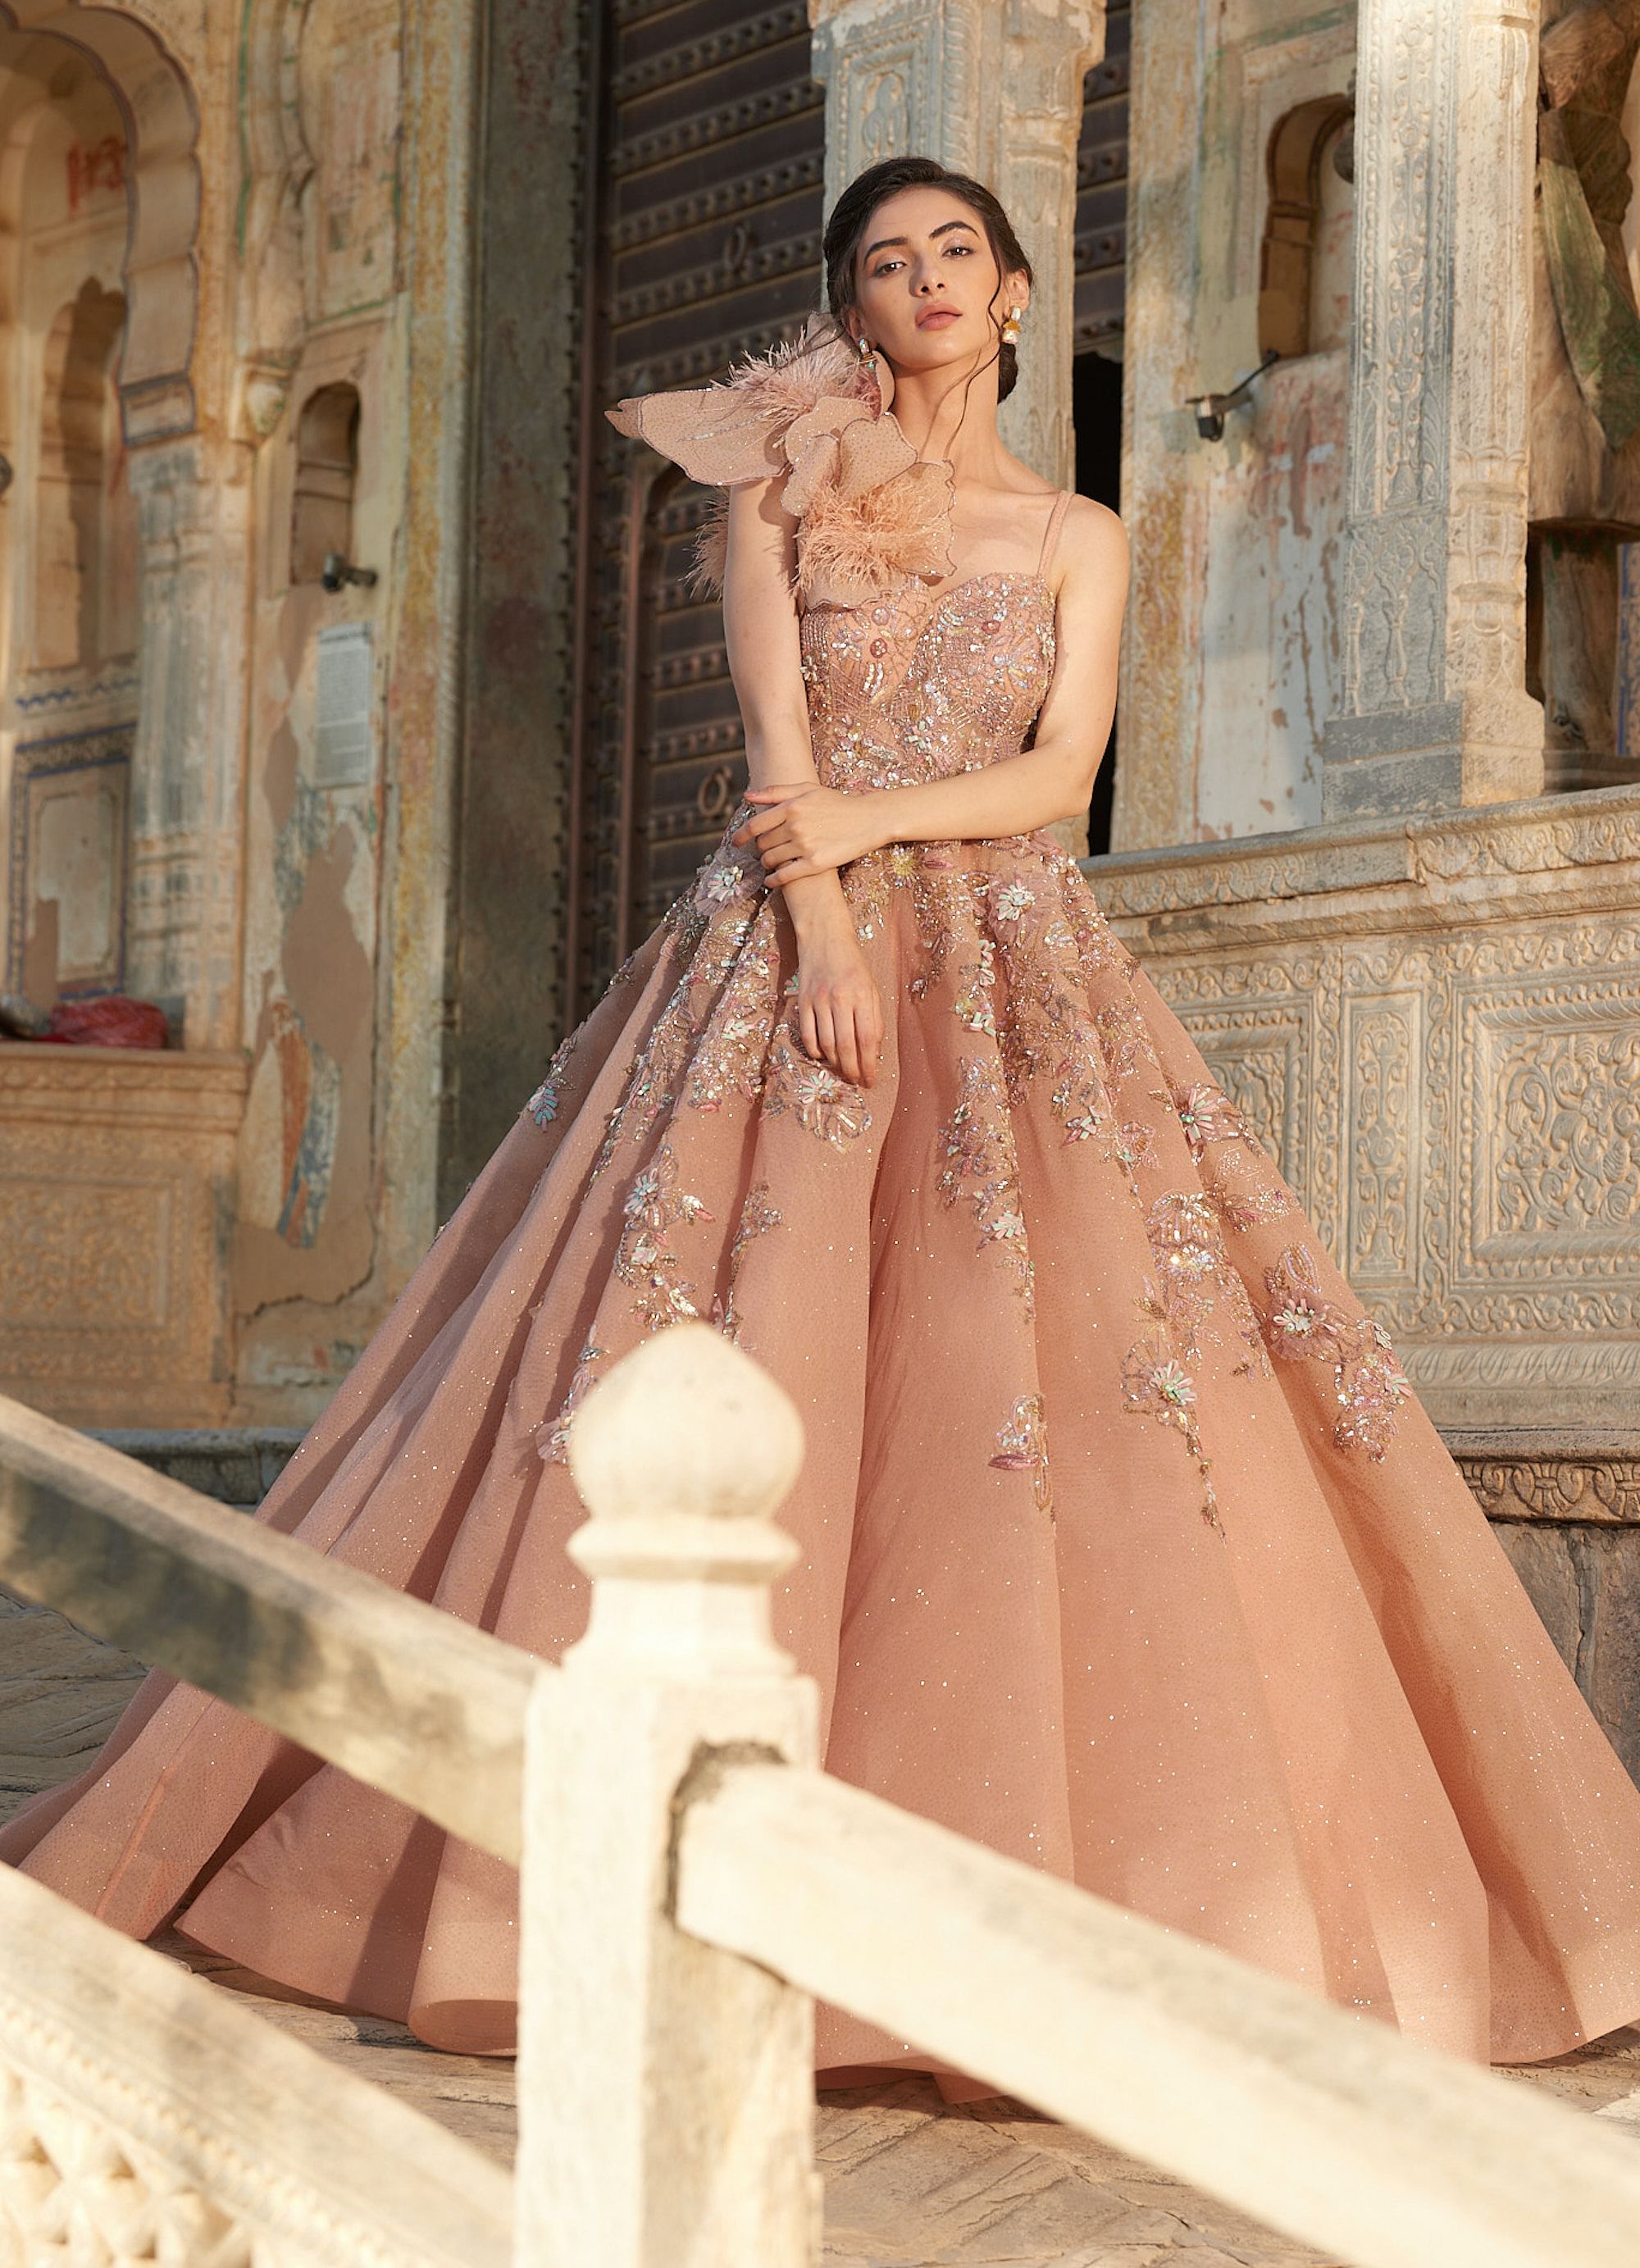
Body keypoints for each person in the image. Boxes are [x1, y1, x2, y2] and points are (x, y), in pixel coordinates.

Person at [6, 157, 1640, 2083]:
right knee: (692, 1370)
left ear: (1018, 295)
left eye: (958, 251)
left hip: (1023, 973)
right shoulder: (777, 487)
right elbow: (779, 753)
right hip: (782, 959)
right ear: (851, 305)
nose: (926, 279)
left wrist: (879, 837)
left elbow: (1058, 769)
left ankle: (1095, 1910)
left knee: (1034, 1410)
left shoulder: (1078, 532)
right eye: (886, 260)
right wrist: (827, 922)